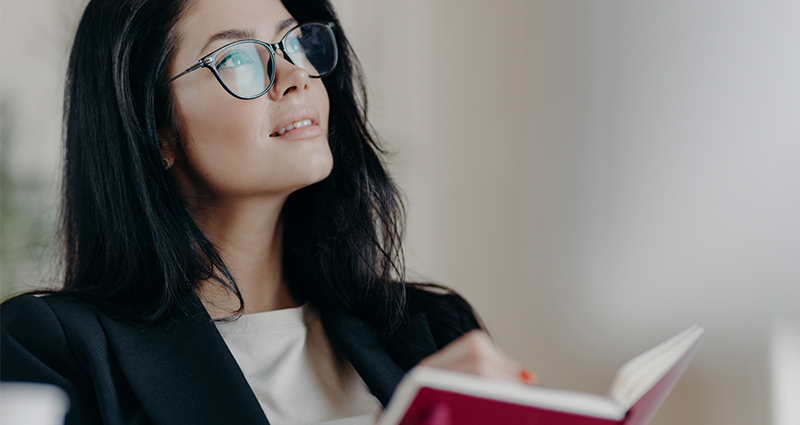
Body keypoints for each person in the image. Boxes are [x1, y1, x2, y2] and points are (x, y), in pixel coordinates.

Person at [0, 0, 534, 423]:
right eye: (237, 58)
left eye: (294, 42)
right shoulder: (54, 347)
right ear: (154, 129)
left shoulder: (433, 331)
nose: (296, 77)